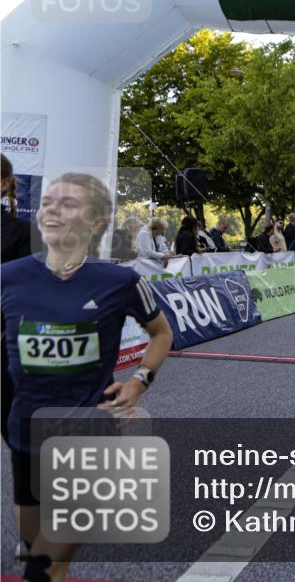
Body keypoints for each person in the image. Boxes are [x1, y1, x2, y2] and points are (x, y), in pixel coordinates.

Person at [1, 172, 172, 582]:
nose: (52, 210)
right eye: (48, 203)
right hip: (26, 426)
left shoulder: (121, 281)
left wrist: (138, 382)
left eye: (68, 204)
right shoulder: (8, 277)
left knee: (43, 567)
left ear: (97, 221)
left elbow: (161, 333)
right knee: (34, 540)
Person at [1, 155, 34, 451]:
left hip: (7, 350)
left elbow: (29, 296)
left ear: (5, 184)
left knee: (21, 441)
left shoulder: (22, 232)